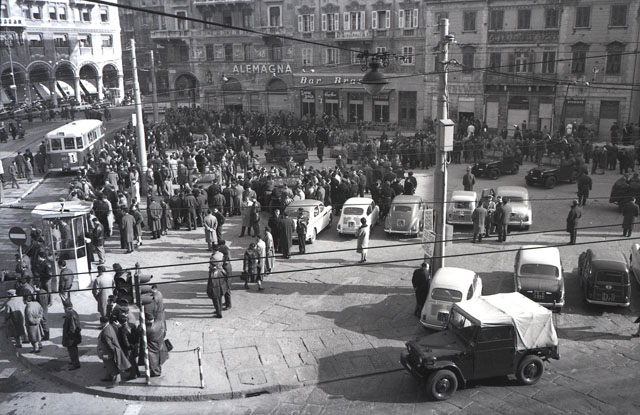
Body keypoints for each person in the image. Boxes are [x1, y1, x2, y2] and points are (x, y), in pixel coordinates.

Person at [97, 315, 131, 385]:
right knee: (108, 365)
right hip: (110, 351)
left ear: (102, 323)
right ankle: (108, 377)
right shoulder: (110, 327)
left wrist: (113, 352)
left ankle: (116, 381)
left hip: (107, 353)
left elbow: (109, 345)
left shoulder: (106, 333)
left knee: (111, 366)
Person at [144, 312, 169, 377]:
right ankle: (158, 370)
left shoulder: (147, 329)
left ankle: (155, 372)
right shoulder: (160, 322)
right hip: (160, 343)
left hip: (151, 347)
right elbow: (164, 333)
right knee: (159, 359)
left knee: (153, 361)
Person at [207, 250, 230, 318]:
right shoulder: (221, 271)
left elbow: (211, 283)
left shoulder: (213, 273)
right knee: (219, 300)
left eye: (210, 264)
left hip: (215, 290)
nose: (209, 266)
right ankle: (219, 311)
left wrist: (209, 291)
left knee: (216, 301)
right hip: (221, 288)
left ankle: (219, 314)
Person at [62, 301, 82, 370]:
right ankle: (74, 361)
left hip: (72, 338)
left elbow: (72, 329)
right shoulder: (73, 313)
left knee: (72, 350)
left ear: (66, 308)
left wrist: (68, 336)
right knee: (73, 350)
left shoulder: (71, 316)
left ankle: (75, 364)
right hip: (74, 337)